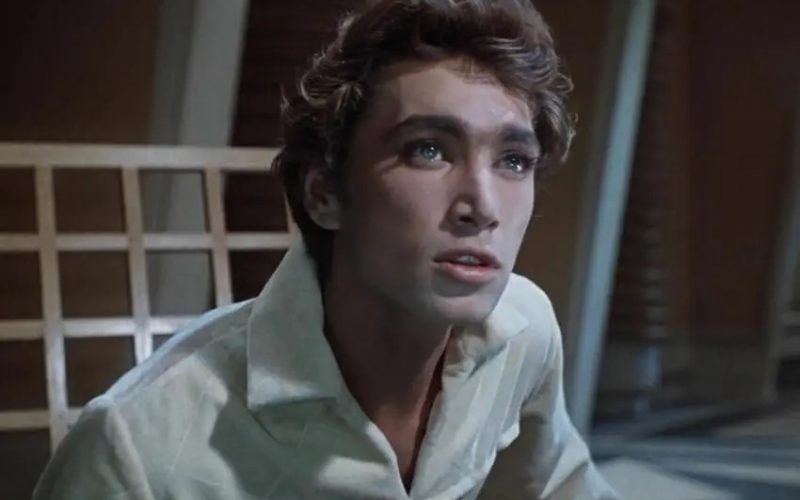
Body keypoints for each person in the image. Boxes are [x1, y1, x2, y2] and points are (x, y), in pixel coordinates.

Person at [34, 1, 618, 498]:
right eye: (428, 150)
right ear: (324, 194)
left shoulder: (523, 331)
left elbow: (557, 488)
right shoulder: (137, 449)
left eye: (513, 160)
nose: (483, 205)